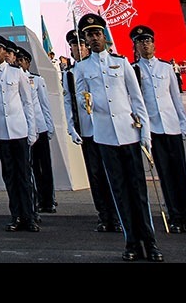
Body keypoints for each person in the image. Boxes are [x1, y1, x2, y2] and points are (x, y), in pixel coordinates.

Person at [73, 15, 161, 262]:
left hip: (128, 133)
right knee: (120, 192)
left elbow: (136, 99)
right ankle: (131, 242)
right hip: (105, 136)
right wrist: (85, 101)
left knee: (138, 192)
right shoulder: (81, 68)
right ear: (86, 40)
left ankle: (150, 242)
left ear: (104, 36)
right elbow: (81, 98)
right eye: (89, 35)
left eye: (97, 33)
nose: (94, 38)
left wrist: (145, 134)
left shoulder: (121, 63)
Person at [129, 25, 186, 234]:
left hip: (171, 126)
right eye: (141, 42)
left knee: (181, 175)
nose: (145, 44)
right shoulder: (134, 70)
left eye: (148, 41)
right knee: (166, 175)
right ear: (135, 46)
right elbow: (135, 102)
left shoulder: (166, 68)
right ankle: (175, 216)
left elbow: (176, 99)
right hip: (153, 129)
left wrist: (182, 124)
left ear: (154, 43)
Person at [63, 34, 120, 232]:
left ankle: (118, 213)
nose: (78, 49)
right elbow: (69, 101)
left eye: (81, 45)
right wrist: (71, 127)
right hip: (87, 129)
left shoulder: (97, 66)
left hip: (106, 127)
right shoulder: (70, 72)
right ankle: (104, 215)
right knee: (95, 174)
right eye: (74, 46)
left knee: (112, 172)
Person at [0, 34, 40, 233]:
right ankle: (16, 215)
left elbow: (27, 103)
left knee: (24, 175)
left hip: (20, 129)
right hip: (1, 132)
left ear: (5, 51)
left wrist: (31, 130)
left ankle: (30, 216)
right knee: (10, 176)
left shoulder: (17, 73)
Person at [17, 47, 56, 213]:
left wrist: (50, 125)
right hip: (25, 128)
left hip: (40, 126)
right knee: (31, 167)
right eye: (17, 60)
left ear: (28, 62)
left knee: (44, 165)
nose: (19, 63)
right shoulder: (16, 79)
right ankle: (37, 198)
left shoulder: (36, 80)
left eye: (22, 60)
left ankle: (49, 199)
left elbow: (44, 104)